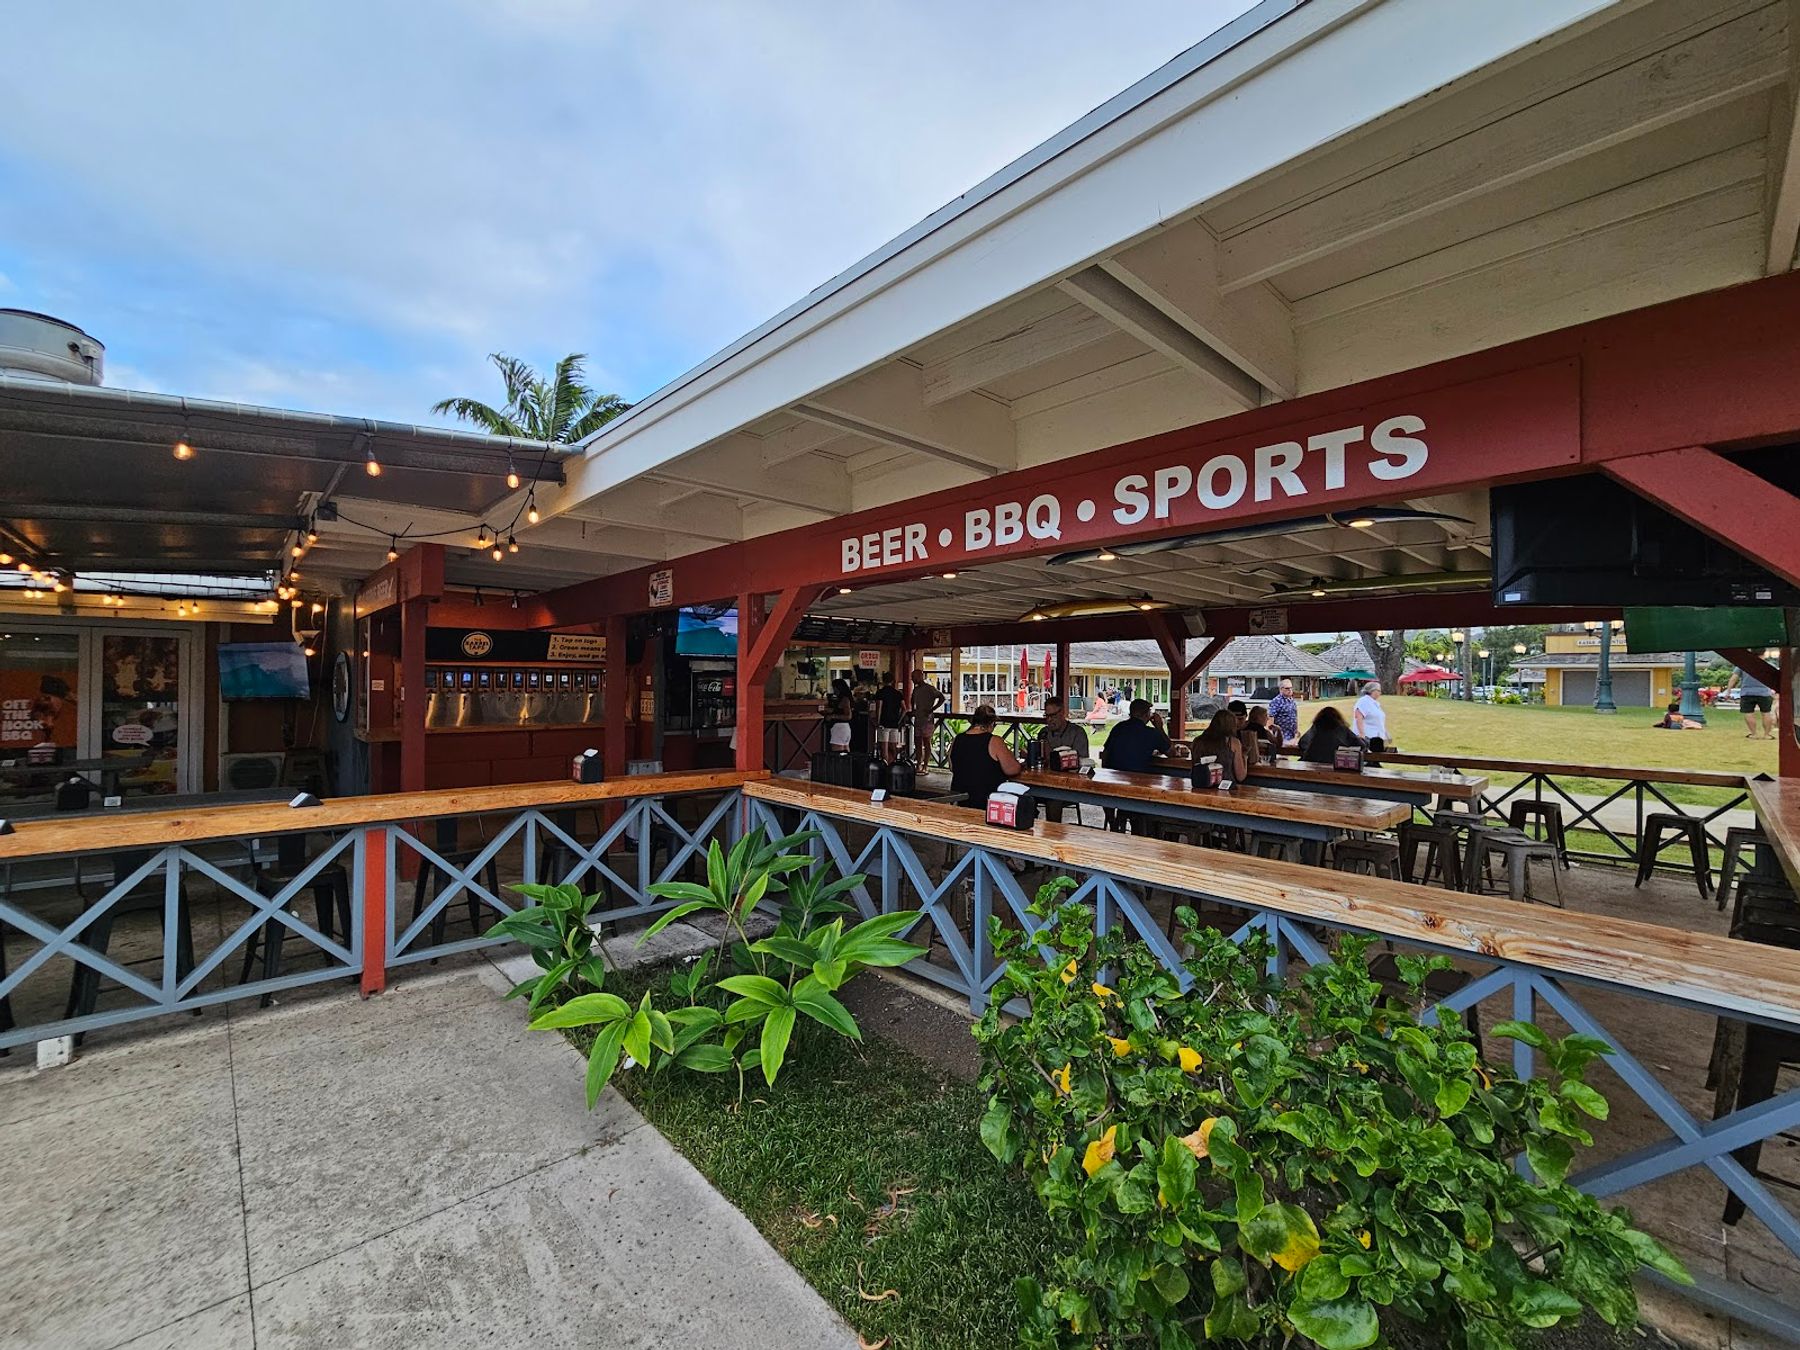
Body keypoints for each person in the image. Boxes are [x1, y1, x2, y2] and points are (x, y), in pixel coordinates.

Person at [949, 704, 1021, 811]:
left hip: (962, 799)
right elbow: (1012, 769)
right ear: (991, 723)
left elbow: (951, 767)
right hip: (988, 801)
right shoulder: (994, 741)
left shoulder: (957, 739)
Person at [1035, 696, 1090, 823]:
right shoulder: (1044, 733)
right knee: (1023, 796)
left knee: (1053, 799)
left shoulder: (1077, 733)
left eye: (1053, 715)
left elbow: (1080, 763)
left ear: (1062, 713)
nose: (1049, 720)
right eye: (1046, 716)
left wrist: (1055, 757)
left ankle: (1052, 836)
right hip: (1045, 784)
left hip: (1069, 787)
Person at [1102, 698, 1171, 773]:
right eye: (1149, 711)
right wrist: (1159, 728)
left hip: (1114, 776)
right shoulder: (1151, 733)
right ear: (1146, 714)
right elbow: (1170, 752)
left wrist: (1105, 772)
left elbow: (1106, 753)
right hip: (1138, 777)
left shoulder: (1118, 728)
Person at [1190, 709, 1247, 783]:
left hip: (1200, 785)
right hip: (1225, 787)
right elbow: (1240, 776)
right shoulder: (1233, 743)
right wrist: (1245, 758)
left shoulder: (1197, 741)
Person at [1298, 705, 1362, 765]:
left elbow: (1302, 742)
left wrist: (1313, 749)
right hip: (1336, 764)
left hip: (1313, 765)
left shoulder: (1316, 728)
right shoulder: (1342, 728)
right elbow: (1361, 745)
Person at [1727, 665, 1777, 739]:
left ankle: (1754, 734)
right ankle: (1767, 734)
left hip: (1747, 693)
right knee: (1766, 713)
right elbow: (1776, 678)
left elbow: (1733, 678)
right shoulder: (1768, 665)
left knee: (1748, 713)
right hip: (1764, 692)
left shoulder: (1742, 665)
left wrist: (1729, 690)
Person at [907, 667, 944, 760]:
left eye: (914, 677)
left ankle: (925, 765)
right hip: (918, 718)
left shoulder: (930, 688)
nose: (912, 679)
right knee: (918, 742)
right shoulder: (916, 690)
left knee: (926, 742)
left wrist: (932, 709)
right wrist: (913, 710)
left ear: (920, 676)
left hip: (927, 719)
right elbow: (912, 700)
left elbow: (941, 697)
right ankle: (919, 763)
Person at [874, 671, 906, 761]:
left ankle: (885, 766)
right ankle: (893, 765)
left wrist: (878, 721)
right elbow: (905, 708)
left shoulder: (880, 693)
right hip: (894, 723)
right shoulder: (898, 694)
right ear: (893, 681)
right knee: (893, 747)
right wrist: (899, 720)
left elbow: (879, 707)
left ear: (883, 681)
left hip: (884, 723)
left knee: (884, 748)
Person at [1352, 680, 1389, 753]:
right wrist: (1362, 734)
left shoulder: (1375, 704)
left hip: (1377, 739)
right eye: (1378, 690)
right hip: (1368, 738)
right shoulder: (1364, 701)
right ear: (1372, 691)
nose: (1380, 693)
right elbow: (1359, 717)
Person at [1267, 678, 1300, 746]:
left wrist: (1296, 730)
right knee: (1281, 754)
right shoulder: (1276, 701)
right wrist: (1271, 733)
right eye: (1287, 688)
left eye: (1291, 688)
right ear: (1281, 689)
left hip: (1291, 735)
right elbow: (1271, 717)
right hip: (1281, 735)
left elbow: (1294, 716)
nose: (1290, 690)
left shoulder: (1292, 701)